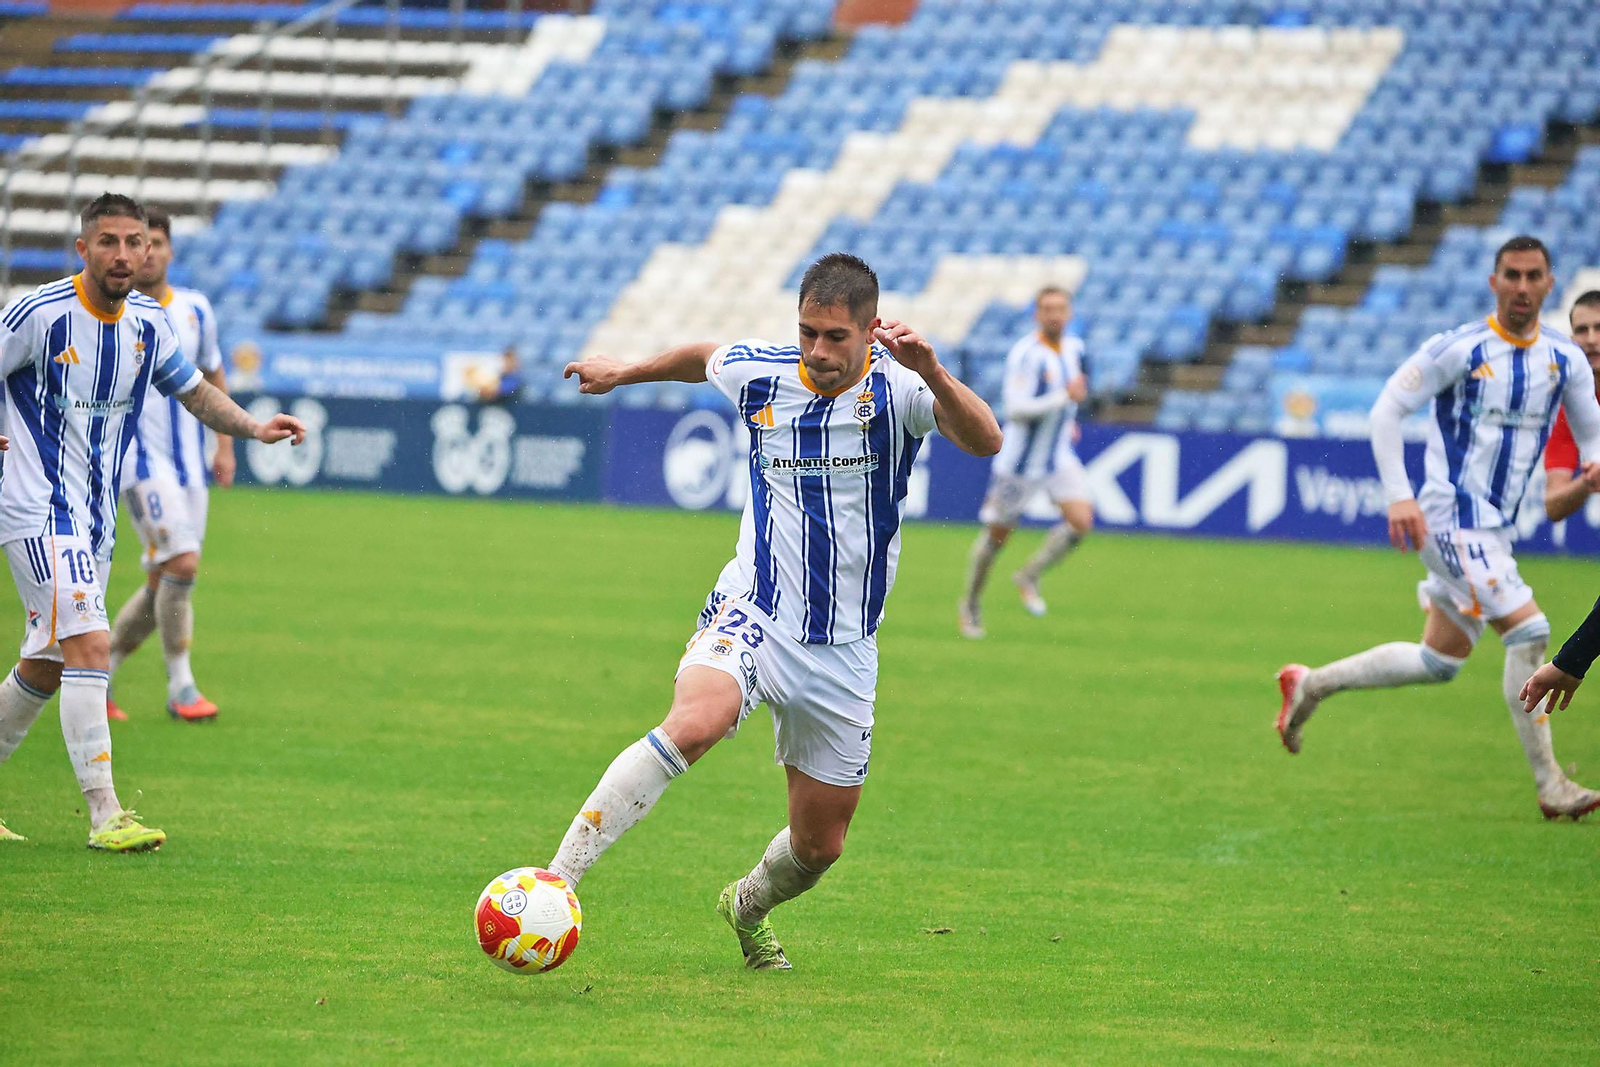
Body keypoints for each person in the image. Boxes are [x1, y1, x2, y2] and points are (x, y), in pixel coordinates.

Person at [551, 253, 1001, 968]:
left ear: (869, 332)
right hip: (754, 609)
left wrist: (934, 370)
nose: (818, 352)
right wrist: (624, 370)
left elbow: (986, 439)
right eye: (808, 333)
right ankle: (555, 883)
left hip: (845, 647)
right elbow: (704, 356)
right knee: (696, 721)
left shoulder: (902, 391)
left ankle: (747, 905)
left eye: (835, 337)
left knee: (821, 845)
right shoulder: (762, 371)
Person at [0, 194, 305, 849]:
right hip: (35, 509)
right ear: (82, 249)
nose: (121, 253)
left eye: (133, 241)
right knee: (89, 643)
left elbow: (193, 390)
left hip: (94, 519)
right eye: (107, 241)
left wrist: (251, 427)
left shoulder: (148, 321)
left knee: (48, 663)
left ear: (149, 249)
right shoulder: (38, 314)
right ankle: (106, 813)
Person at [1275, 236, 1600, 821]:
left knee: (1439, 662)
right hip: (1448, 519)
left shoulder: (1564, 359)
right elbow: (1386, 410)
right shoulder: (1459, 348)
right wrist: (1400, 497)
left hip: (1495, 530)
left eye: (1534, 277)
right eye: (1512, 275)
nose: (1523, 287)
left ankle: (1312, 684)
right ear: (1493, 281)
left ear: (1550, 284)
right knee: (1530, 632)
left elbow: (1591, 431)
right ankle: (1551, 784)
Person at [106, 207, 235, 723]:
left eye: (157, 242)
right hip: (137, 461)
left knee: (167, 578)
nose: (150, 251)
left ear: (169, 251)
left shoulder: (195, 310)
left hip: (190, 465)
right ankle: (182, 686)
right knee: (182, 562)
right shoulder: (113, 312)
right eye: (141, 242)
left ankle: (103, 672)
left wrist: (224, 447)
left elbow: (212, 371)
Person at [959, 286, 1091, 639]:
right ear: (1037, 314)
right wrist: (1064, 398)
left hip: (1058, 455)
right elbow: (1015, 409)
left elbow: (1071, 399)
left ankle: (1029, 575)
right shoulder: (1026, 355)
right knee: (998, 537)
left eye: (1060, 308)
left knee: (1080, 522)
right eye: (1047, 309)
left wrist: (1068, 419)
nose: (1054, 315)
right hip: (1020, 464)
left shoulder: (1076, 348)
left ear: (1070, 313)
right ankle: (970, 602)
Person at [1541, 290, 1600, 522]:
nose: (1592, 339)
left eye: (1599, 328)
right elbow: (1553, 504)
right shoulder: (1568, 410)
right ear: (1571, 340)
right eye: (1582, 330)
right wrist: (1588, 481)